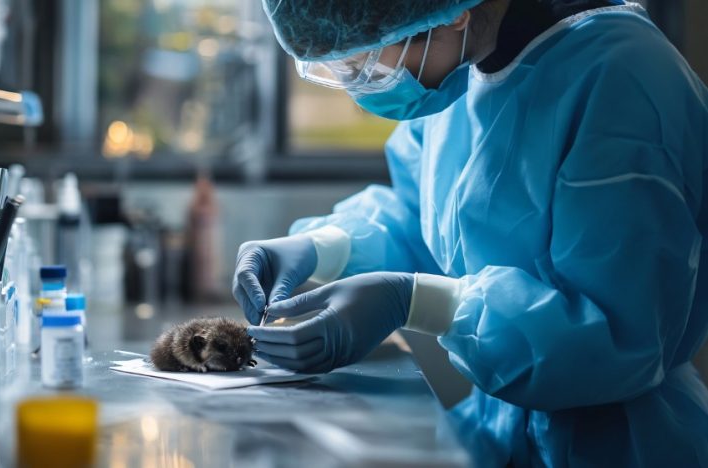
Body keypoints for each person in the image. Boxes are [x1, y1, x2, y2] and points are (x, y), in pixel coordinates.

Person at [232, 0, 708, 465]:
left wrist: (415, 301)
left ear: (454, 13)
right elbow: (424, 212)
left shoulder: (620, 77)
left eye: (366, 64)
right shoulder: (460, 71)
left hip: (622, 445)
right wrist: (324, 247)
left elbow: (618, 333)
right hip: (493, 434)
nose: (359, 90)